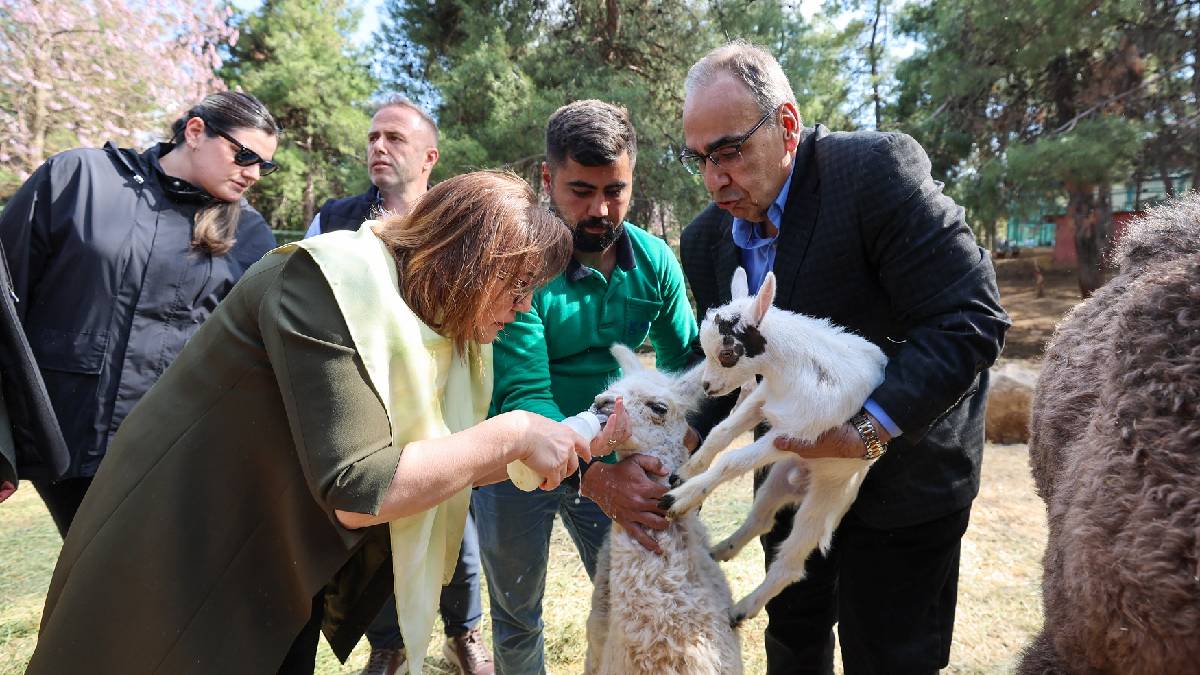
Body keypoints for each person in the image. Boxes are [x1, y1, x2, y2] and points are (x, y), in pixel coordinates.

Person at [25, 170, 630, 675]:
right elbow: (362, 488)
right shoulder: (327, 280)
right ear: (465, 261)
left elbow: (438, 458)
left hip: (276, 564)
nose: (524, 308)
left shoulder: (431, 313)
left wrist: (562, 440)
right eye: (517, 286)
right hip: (183, 552)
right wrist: (515, 433)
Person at [677, 41, 1009, 675]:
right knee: (792, 641)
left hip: (906, 481)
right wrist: (683, 443)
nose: (714, 179)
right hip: (795, 470)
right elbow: (736, 365)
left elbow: (970, 317)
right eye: (700, 159)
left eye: (730, 151)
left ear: (787, 126)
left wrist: (867, 432)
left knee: (888, 659)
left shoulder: (874, 172)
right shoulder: (704, 241)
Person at [475, 99, 699, 674]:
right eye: (580, 190)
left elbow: (683, 366)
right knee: (517, 612)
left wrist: (684, 449)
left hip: (616, 460)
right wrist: (596, 478)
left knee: (634, 599)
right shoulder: (521, 263)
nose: (599, 209)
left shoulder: (655, 262)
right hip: (515, 459)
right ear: (546, 178)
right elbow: (527, 394)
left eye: (615, 190)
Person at [0, 91, 279, 536]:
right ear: (195, 132)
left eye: (265, 165)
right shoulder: (79, 178)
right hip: (68, 439)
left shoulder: (250, 233)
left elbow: (257, 351)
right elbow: (7, 298)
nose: (253, 174)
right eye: (244, 155)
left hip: (174, 446)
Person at [305, 97, 493, 675]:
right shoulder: (333, 220)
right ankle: (388, 644)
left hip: (441, 398)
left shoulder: (456, 222)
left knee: (452, 514)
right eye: (373, 137)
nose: (379, 147)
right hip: (365, 399)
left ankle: (464, 633)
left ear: (430, 157)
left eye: (394, 138)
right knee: (377, 526)